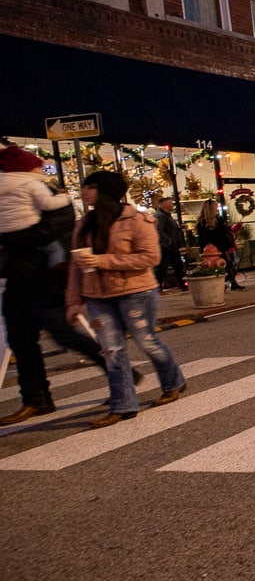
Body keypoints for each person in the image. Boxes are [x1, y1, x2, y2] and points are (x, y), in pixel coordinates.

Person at [66, 170, 186, 429]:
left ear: (106, 191)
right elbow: (75, 267)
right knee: (111, 350)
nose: (85, 191)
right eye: (84, 187)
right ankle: (123, 406)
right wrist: (74, 300)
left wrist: (101, 261)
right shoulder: (84, 223)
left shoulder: (136, 220)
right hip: (97, 296)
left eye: (91, 187)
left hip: (136, 293)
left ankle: (173, 381)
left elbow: (150, 258)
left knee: (147, 342)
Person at [0, 147, 106, 426]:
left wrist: (12, 238)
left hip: (44, 279)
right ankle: (36, 400)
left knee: (64, 334)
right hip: (16, 279)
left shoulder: (50, 196)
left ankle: (120, 375)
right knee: (20, 341)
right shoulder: (7, 200)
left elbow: (55, 229)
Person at [195, 199, 243, 290]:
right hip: (217, 247)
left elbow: (202, 239)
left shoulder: (205, 221)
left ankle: (230, 283)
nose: (217, 207)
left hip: (215, 247)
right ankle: (228, 283)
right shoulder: (213, 221)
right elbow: (221, 233)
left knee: (226, 265)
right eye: (215, 206)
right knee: (223, 265)